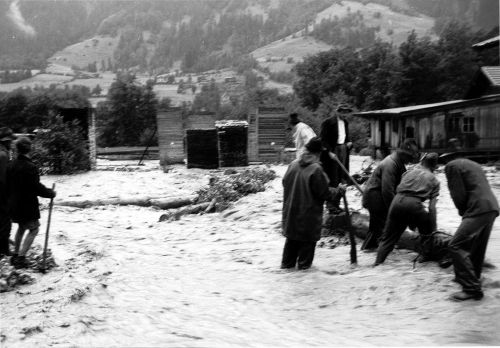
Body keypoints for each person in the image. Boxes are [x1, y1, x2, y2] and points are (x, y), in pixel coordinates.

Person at [281, 137, 346, 270]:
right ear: (318, 153)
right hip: (307, 222)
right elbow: (325, 194)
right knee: (304, 268)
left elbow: (284, 183)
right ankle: (305, 290)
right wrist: (339, 191)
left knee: (287, 265)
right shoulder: (316, 169)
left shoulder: (293, 164)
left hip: (291, 219)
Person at [444, 157, 499, 301]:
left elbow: (458, 193)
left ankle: (471, 289)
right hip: (492, 207)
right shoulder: (474, 164)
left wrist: (464, 213)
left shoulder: (451, 166)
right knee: (477, 246)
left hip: (477, 208)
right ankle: (474, 278)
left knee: (455, 245)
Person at [374, 152, 440, 265]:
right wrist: (433, 230)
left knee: (387, 239)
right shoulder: (434, 180)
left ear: (422, 162)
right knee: (427, 229)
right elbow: (432, 208)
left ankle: (377, 264)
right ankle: (425, 256)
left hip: (396, 202)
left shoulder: (408, 172)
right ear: (434, 167)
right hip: (414, 205)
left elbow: (398, 188)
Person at [361, 139, 419, 251]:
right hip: (375, 199)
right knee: (381, 229)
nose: (409, 161)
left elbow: (401, 188)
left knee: (375, 230)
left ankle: (369, 251)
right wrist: (395, 211)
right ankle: (377, 255)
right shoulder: (391, 164)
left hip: (378, 199)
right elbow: (387, 192)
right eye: (409, 158)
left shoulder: (398, 162)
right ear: (403, 154)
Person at [8, 137, 56, 268]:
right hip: (27, 205)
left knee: (21, 228)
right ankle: (21, 258)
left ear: (17, 149)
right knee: (34, 229)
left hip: (13, 204)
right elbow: (36, 187)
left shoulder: (11, 164)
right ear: (30, 149)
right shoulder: (31, 167)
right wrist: (50, 193)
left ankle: (16, 255)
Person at [319, 104, 353, 212]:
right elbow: (322, 140)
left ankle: (337, 203)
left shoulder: (346, 123)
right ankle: (330, 205)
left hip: (343, 150)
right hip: (332, 151)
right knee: (333, 178)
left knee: (342, 177)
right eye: (342, 112)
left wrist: (348, 143)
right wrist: (329, 152)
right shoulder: (328, 122)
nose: (344, 114)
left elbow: (345, 137)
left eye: (346, 112)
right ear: (337, 112)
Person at [0, 127, 16, 258]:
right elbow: (3, 179)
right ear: (6, 141)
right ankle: (4, 251)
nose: (11, 144)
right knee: (5, 222)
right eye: (10, 141)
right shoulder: (3, 155)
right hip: (2, 193)